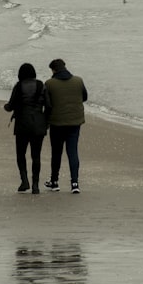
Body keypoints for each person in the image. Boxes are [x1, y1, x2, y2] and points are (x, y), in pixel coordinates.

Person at [43, 58, 87, 193]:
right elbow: (84, 97)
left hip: (57, 122)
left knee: (56, 152)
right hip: (75, 122)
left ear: (54, 70)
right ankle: (75, 183)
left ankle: (55, 182)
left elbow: (47, 104)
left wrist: (45, 122)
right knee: (72, 152)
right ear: (65, 67)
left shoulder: (49, 83)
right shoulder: (78, 81)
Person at [4, 63, 47, 194]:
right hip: (38, 125)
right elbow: (49, 105)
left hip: (22, 125)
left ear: (20, 74)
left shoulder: (19, 86)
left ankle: (24, 181)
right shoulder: (41, 85)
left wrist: (6, 106)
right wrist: (46, 121)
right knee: (36, 156)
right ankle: (35, 185)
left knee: (21, 154)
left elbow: (10, 106)